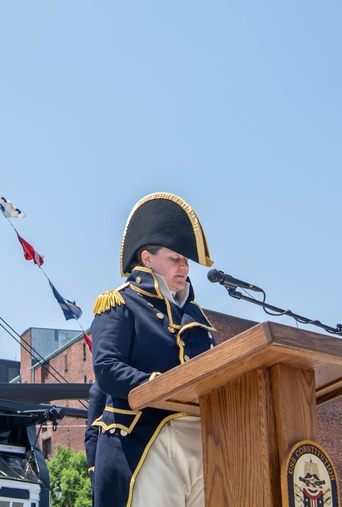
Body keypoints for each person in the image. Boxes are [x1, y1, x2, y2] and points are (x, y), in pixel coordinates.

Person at [89, 193, 217, 507]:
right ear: (147, 258)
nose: (185, 266)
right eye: (176, 258)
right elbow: (106, 368)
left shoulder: (199, 320)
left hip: (205, 440)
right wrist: (161, 386)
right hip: (146, 440)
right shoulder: (119, 302)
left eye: (186, 261)